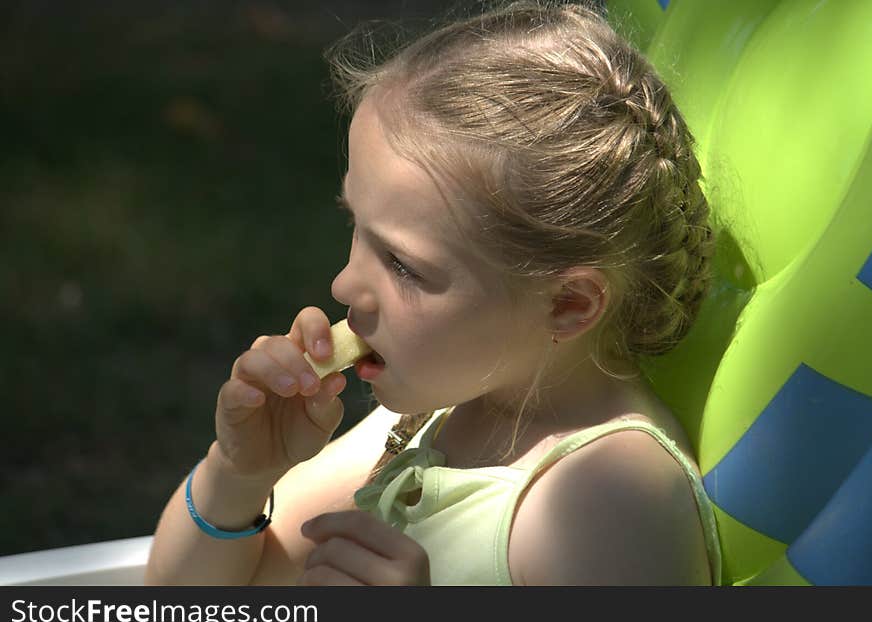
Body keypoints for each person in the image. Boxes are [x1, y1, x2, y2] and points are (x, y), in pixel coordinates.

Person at [145, 0, 721, 586]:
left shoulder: (608, 501)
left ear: (568, 304)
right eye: (354, 225)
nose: (344, 284)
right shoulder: (434, 414)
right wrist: (240, 474)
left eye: (403, 266)